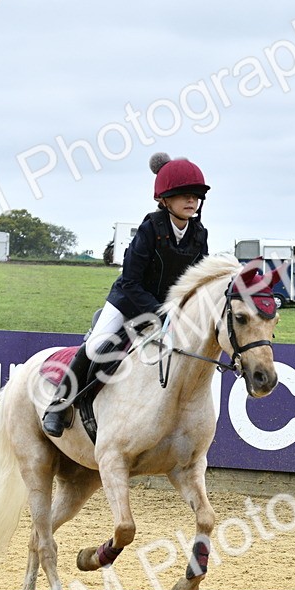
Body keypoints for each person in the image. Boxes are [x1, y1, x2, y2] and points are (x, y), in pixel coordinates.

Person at [41, 152, 210, 437]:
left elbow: (199, 280)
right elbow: (131, 282)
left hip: (170, 312)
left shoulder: (199, 234)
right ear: (164, 199)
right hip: (129, 301)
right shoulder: (149, 230)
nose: (191, 200)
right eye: (183, 194)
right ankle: (59, 404)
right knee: (96, 347)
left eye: (195, 195)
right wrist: (160, 311)